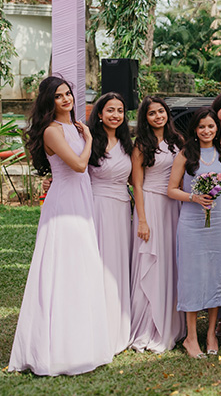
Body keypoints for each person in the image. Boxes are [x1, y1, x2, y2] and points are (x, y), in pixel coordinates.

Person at [8, 77, 112, 376]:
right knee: (62, 268)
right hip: (64, 203)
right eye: (58, 96)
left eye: (68, 94)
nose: (66, 99)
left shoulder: (75, 126)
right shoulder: (52, 131)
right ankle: (55, 347)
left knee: (81, 267)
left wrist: (85, 133)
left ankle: (83, 343)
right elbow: (79, 166)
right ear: (49, 101)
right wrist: (90, 139)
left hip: (81, 199)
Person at [167, 108, 221, 359]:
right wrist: (193, 197)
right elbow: (171, 189)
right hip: (191, 223)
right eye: (202, 127)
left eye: (211, 127)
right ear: (195, 129)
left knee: (216, 275)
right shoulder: (185, 154)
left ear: (217, 129)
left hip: (218, 222)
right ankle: (191, 337)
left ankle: (211, 333)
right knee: (192, 277)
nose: (206, 131)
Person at [128, 96, 185, 353]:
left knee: (171, 262)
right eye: (152, 113)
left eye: (161, 111)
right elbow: (136, 184)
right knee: (150, 262)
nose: (158, 116)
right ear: (145, 118)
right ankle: (147, 326)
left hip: (174, 206)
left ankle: (171, 323)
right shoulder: (141, 145)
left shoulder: (178, 141)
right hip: (150, 205)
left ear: (167, 114)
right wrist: (142, 219)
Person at [87, 92, 134, 357]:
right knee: (97, 262)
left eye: (120, 110)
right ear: (100, 113)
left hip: (119, 208)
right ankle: (95, 322)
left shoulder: (129, 144)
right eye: (110, 110)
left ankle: (117, 323)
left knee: (117, 264)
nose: (115, 115)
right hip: (95, 206)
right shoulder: (90, 139)